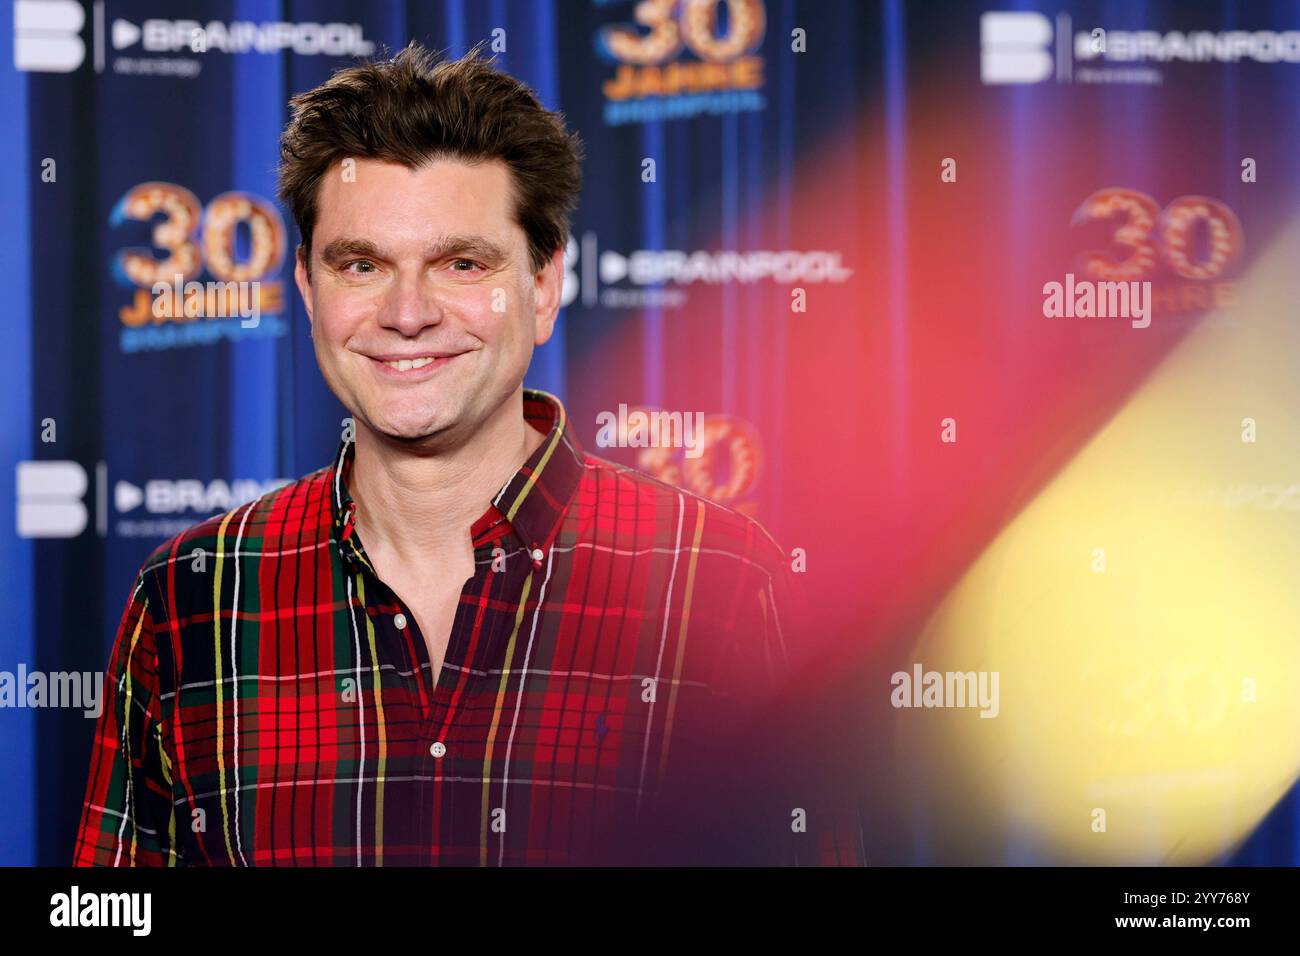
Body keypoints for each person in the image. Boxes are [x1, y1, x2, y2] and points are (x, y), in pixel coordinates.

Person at [74, 41, 851, 866]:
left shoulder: (720, 583)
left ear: (546, 285)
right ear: (305, 288)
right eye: (362, 264)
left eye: (462, 263)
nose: (408, 313)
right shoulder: (194, 595)